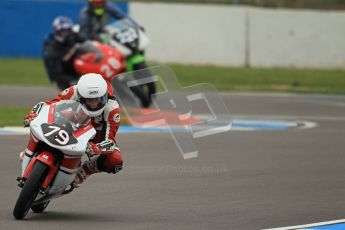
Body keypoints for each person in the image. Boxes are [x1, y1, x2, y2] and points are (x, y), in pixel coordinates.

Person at [20, 73, 123, 186]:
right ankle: (34, 150)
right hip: (72, 121)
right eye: (89, 100)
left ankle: (84, 172)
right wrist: (33, 115)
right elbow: (49, 105)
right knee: (44, 121)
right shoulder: (73, 91)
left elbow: (110, 142)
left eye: (97, 100)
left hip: (96, 133)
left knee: (115, 161)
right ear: (81, 96)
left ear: (104, 96)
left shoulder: (112, 109)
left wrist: (97, 148)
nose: (94, 104)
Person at [43, 16, 85, 90]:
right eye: (63, 31)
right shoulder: (51, 45)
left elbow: (85, 40)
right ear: (57, 31)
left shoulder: (72, 36)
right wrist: (71, 80)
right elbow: (55, 70)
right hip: (62, 74)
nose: (66, 33)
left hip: (75, 68)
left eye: (68, 30)